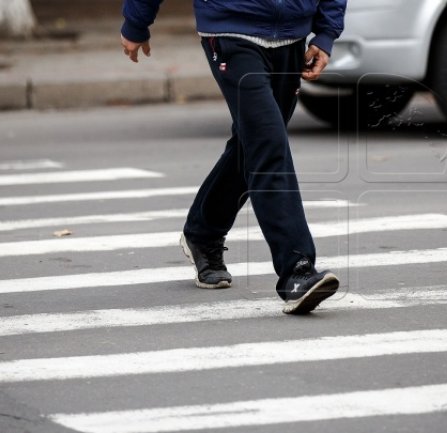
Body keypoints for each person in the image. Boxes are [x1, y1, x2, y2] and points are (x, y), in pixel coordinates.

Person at [120, 0, 346, 315]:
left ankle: (203, 233)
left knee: (254, 143)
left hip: (292, 37)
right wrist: (136, 20)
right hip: (232, 30)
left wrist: (325, 32)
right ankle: (297, 270)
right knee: (268, 145)